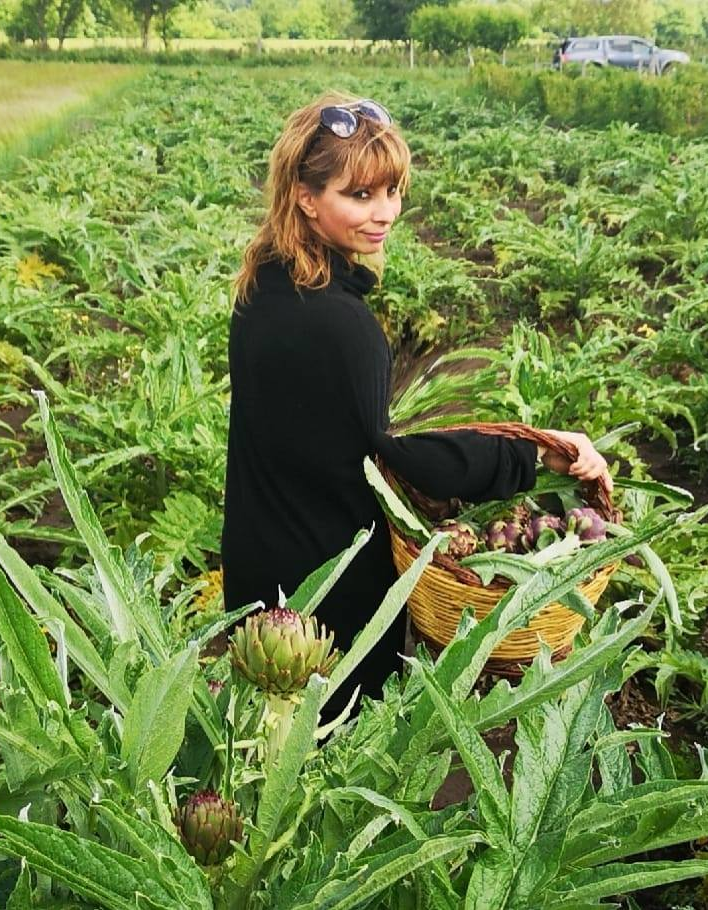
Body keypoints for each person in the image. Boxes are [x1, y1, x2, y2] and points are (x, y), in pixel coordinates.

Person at [221, 93, 612, 718]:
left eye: (393, 192)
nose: (384, 215)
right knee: (338, 745)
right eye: (359, 195)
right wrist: (536, 454)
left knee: (265, 737)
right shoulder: (341, 324)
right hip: (332, 587)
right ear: (305, 196)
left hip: (260, 564)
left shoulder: (262, 288)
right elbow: (407, 458)